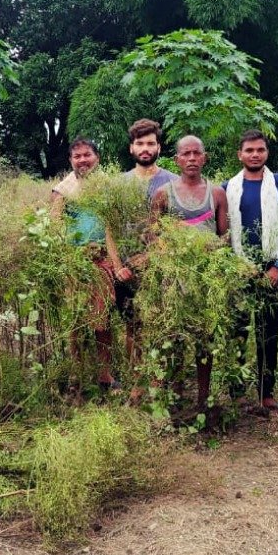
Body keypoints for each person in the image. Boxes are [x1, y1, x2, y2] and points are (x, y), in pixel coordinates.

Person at [149, 135, 229, 409]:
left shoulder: (216, 193)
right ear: (177, 160)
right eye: (186, 154)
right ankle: (175, 395)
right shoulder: (163, 194)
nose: (192, 158)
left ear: (204, 158)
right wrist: (172, 250)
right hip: (174, 279)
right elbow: (154, 235)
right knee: (174, 335)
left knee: (204, 336)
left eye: (197, 153)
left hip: (206, 278)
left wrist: (206, 248)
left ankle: (204, 400)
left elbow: (225, 237)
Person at [222, 129, 278, 413]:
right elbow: (224, 231)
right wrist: (236, 265)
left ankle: (266, 392)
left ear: (267, 153)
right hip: (238, 270)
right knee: (237, 330)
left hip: (271, 270)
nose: (255, 155)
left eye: (260, 150)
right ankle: (236, 389)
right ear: (240, 154)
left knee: (269, 334)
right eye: (249, 150)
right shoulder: (228, 186)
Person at [51, 137, 118, 392]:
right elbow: (55, 225)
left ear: (96, 158)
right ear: (71, 161)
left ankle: (104, 375)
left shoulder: (107, 188)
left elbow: (114, 224)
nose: (83, 160)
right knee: (76, 322)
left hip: (102, 261)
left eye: (87, 155)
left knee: (102, 321)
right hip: (74, 264)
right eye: (77, 156)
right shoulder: (63, 190)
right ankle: (76, 375)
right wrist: (68, 256)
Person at [112, 119, 178, 368]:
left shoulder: (173, 183)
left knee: (164, 324)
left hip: (163, 267)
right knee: (133, 326)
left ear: (159, 148)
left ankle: (163, 383)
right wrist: (119, 266)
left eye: (151, 143)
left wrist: (153, 257)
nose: (145, 148)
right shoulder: (118, 185)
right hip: (127, 269)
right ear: (131, 148)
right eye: (140, 143)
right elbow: (111, 228)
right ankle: (136, 380)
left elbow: (175, 230)